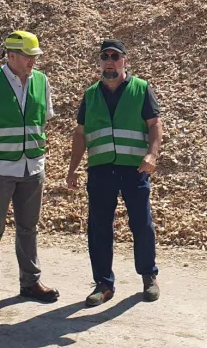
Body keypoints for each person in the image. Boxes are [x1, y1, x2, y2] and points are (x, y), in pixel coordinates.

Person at [0, 30, 59, 314]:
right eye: (29, 56)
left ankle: (30, 283)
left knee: (29, 228)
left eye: (36, 56)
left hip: (32, 167)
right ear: (11, 55)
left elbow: (43, 120)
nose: (33, 61)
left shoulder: (42, 81)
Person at [67, 39, 163, 306]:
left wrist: (152, 155)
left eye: (115, 56)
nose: (109, 61)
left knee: (141, 224)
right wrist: (72, 168)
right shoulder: (90, 94)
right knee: (99, 227)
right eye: (105, 57)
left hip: (134, 168)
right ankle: (103, 284)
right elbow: (81, 133)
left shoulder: (141, 89)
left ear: (124, 61)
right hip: (101, 169)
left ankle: (148, 276)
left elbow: (155, 124)